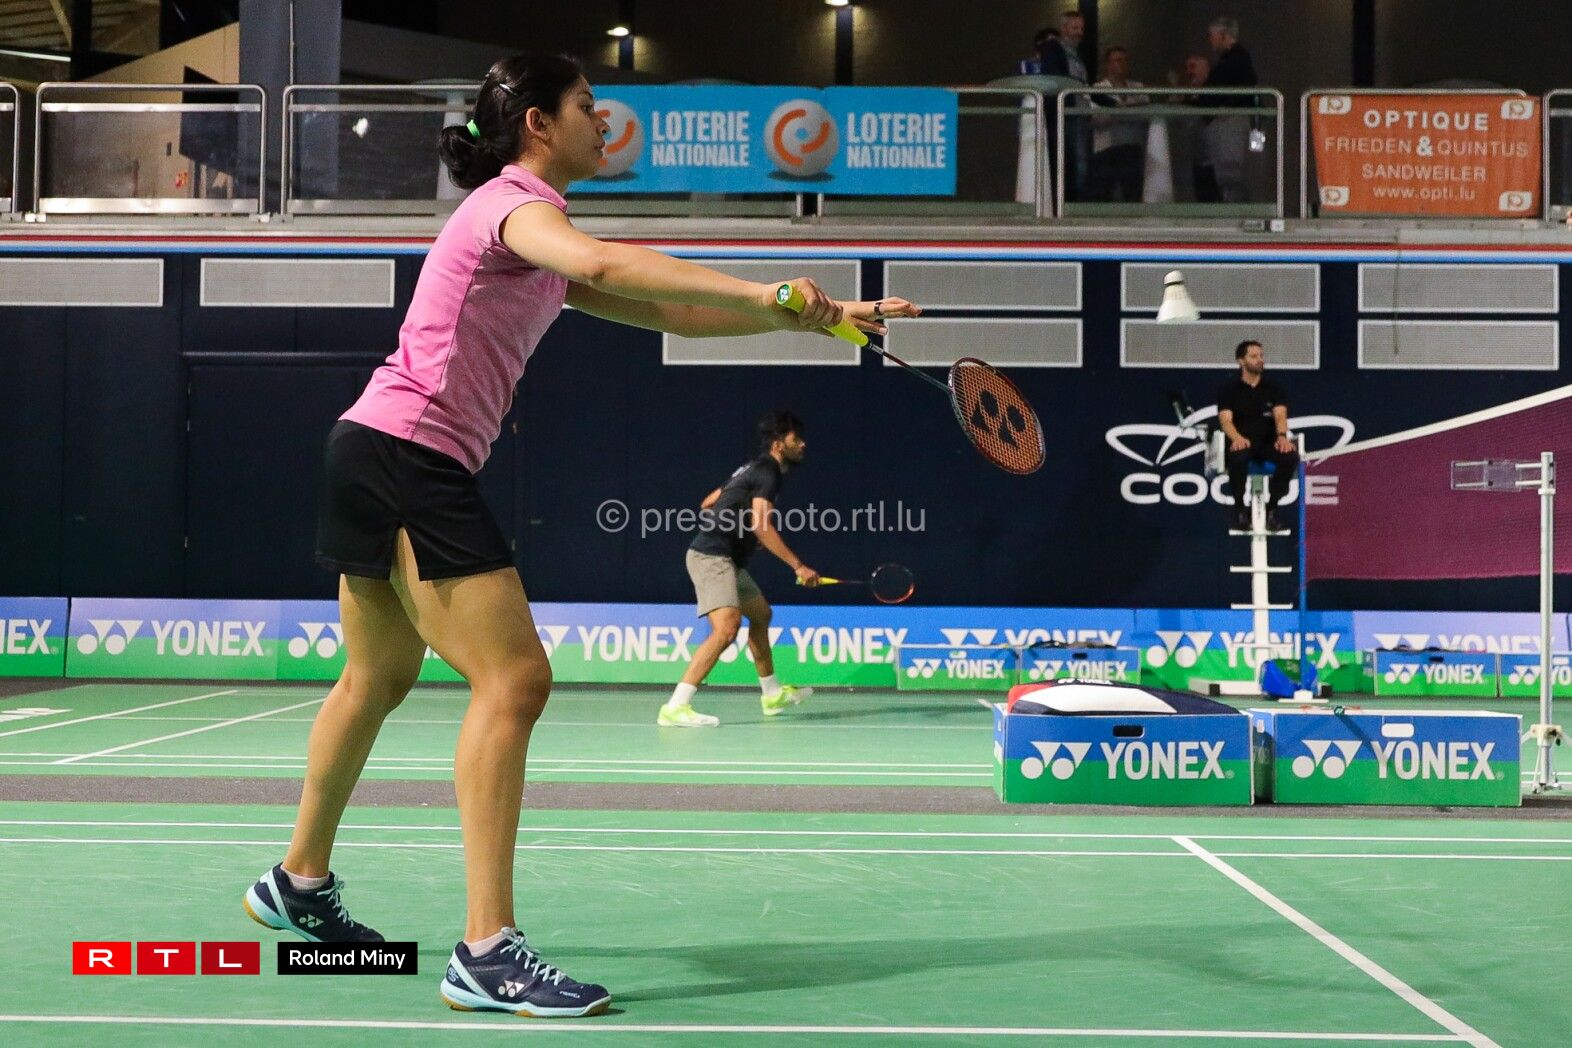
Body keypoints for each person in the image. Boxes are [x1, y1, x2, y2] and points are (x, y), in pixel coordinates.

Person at [238, 53, 920, 1020]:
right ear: (537, 125)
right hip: (409, 453)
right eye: (589, 107)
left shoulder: (536, 238)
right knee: (515, 680)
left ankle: (297, 880)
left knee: (375, 677)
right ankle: (486, 952)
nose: (605, 122)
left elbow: (665, 309)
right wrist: (769, 290)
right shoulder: (512, 207)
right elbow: (603, 264)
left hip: (372, 447)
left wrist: (810, 321)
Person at [660, 410, 820, 727]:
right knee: (727, 629)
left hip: (728, 559)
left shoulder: (750, 469)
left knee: (761, 615)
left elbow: (708, 503)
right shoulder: (768, 472)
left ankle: (772, 694)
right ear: (778, 443)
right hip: (712, 557)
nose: (803, 444)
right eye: (796, 438)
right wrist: (798, 566)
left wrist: (741, 530)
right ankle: (675, 706)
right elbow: (761, 524)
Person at [1217, 340, 1297, 532]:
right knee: (1238, 457)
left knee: (1289, 456)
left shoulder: (1273, 388)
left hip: (1267, 444)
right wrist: (1237, 438)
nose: (1260, 360)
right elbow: (1225, 421)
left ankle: (1271, 509)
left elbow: (1280, 415)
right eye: (1254, 356)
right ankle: (1240, 510)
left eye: (1261, 356)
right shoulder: (1229, 389)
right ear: (1241, 361)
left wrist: (1282, 436)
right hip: (1242, 442)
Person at [1199, 16, 1259, 204]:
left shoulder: (1233, 60)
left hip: (1230, 122)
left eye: (1212, 35)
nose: (1210, 40)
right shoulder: (1236, 59)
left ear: (1224, 35)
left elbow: (1215, 92)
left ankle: (1235, 211)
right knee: (1231, 173)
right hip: (1232, 121)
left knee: (1230, 172)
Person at [1088, 46, 1147, 202]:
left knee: (1132, 193)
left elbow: (1143, 116)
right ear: (1108, 64)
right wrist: (1123, 111)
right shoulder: (1097, 90)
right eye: (1118, 60)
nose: (1123, 64)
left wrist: (1119, 112)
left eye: (1126, 60)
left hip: (1132, 146)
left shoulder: (1138, 87)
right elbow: (1096, 120)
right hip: (1106, 148)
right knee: (1104, 193)